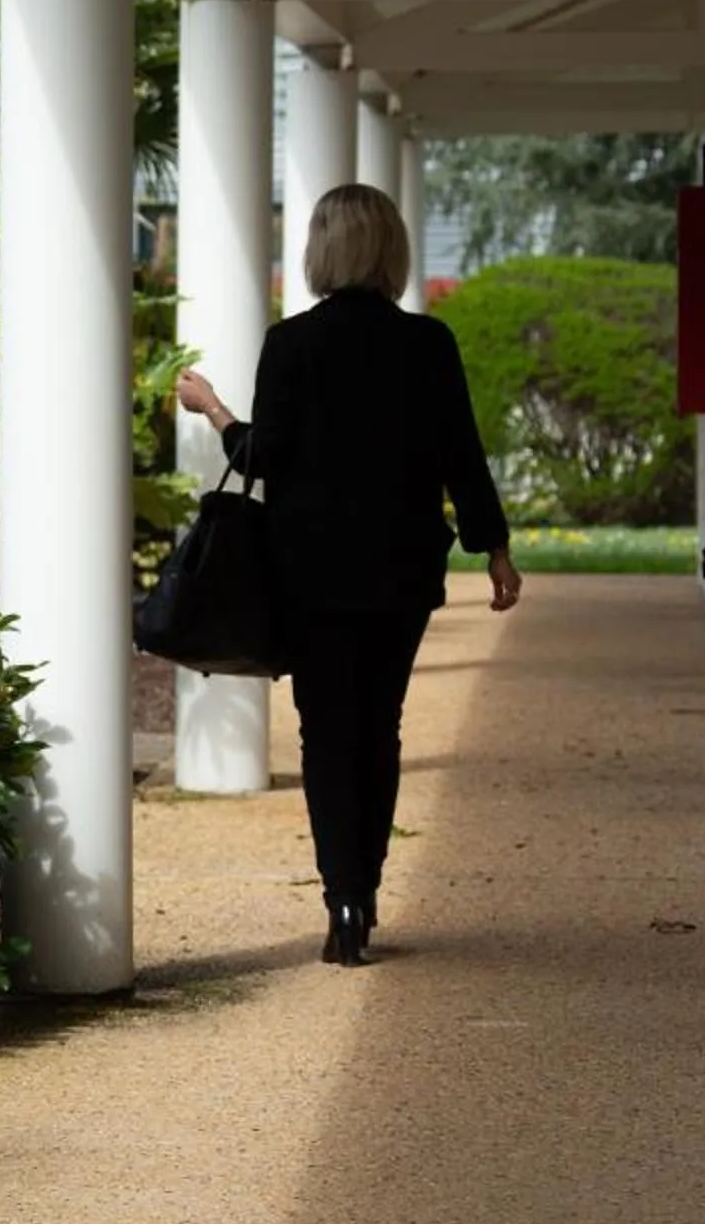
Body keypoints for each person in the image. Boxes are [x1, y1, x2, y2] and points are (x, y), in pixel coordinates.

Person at [176, 183, 522, 969]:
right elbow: (460, 455)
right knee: (381, 724)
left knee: (327, 731)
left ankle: (343, 896)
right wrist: (493, 547)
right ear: (392, 250)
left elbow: (265, 459)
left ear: (321, 250)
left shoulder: (291, 343)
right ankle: (367, 879)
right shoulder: (429, 345)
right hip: (401, 569)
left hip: (311, 572)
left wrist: (216, 411)